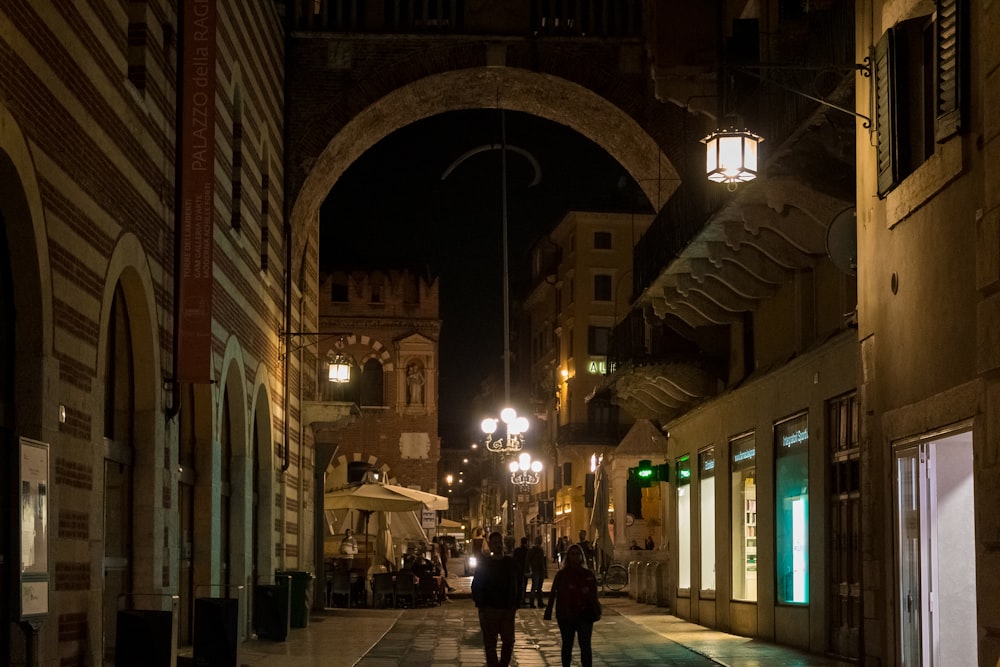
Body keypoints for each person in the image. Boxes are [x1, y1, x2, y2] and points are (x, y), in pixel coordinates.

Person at [544, 544, 602, 667]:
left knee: (585, 645)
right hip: (567, 614)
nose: (575, 557)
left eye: (577, 554)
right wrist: (548, 611)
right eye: (572, 554)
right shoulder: (562, 574)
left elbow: (593, 593)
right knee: (567, 645)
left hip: (584, 614)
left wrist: (596, 608)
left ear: (581, 556)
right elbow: (553, 592)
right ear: (568, 556)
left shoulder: (588, 574)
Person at [471, 531, 520, 667]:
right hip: (490, 608)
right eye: (495, 543)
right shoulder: (485, 564)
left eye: (500, 542)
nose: (498, 545)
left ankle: (503, 665)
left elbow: (517, 583)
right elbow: (477, 584)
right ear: (491, 546)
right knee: (490, 643)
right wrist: (481, 604)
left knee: (508, 641)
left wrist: (515, 604)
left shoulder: (510, 563)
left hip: (507, 609)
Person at [526, 534, 548, 608]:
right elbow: (540, 562)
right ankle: (535, 602)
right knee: (536, 587)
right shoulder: (536, 550)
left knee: (537, 587)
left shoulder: (535, 550)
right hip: (537, 570)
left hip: (537, 570)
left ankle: (537, 602)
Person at [512, 536, 529, 606]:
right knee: (524, 585)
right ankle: (523, 599)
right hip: (524, 570)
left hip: (517, 570)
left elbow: (514, 559)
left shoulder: (517, 550)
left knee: (518, 585)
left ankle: (518, 599)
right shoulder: (527, 550)